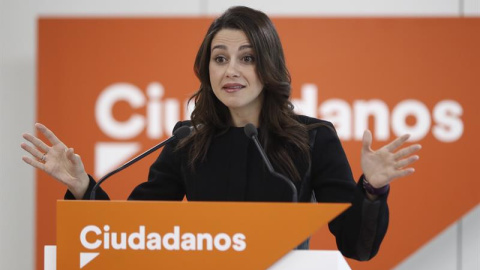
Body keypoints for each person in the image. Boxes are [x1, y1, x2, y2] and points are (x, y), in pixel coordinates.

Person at [21, 6, 421, 261]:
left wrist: (372, 187)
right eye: (220, 58)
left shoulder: (313, 137)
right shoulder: (186, 140)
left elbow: (359, 248)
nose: (231, 71)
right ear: (206, 69)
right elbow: (132, 233)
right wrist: (83, 187)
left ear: (268, 65)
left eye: (247, 58)